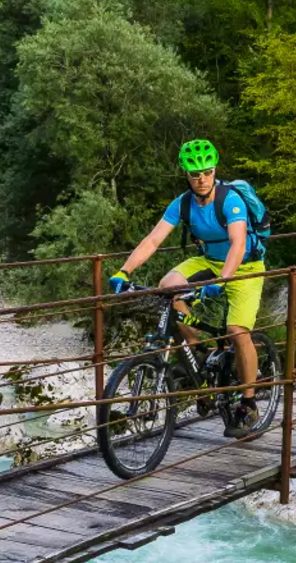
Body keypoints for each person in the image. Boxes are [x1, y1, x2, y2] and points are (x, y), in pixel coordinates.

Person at [109, 139, 265, 436]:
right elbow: (154, 240)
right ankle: (199, 350)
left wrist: (222, 281)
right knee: (168, 288)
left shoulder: (229, 200)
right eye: (195, 174)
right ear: (186, 175)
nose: (202, 179)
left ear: (214, 169)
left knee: (236, 331)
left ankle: (249, 401)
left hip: (244, 266)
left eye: (207, 172)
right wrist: (124, 270)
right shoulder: (182, 203)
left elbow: (238, 244)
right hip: (207, 260)